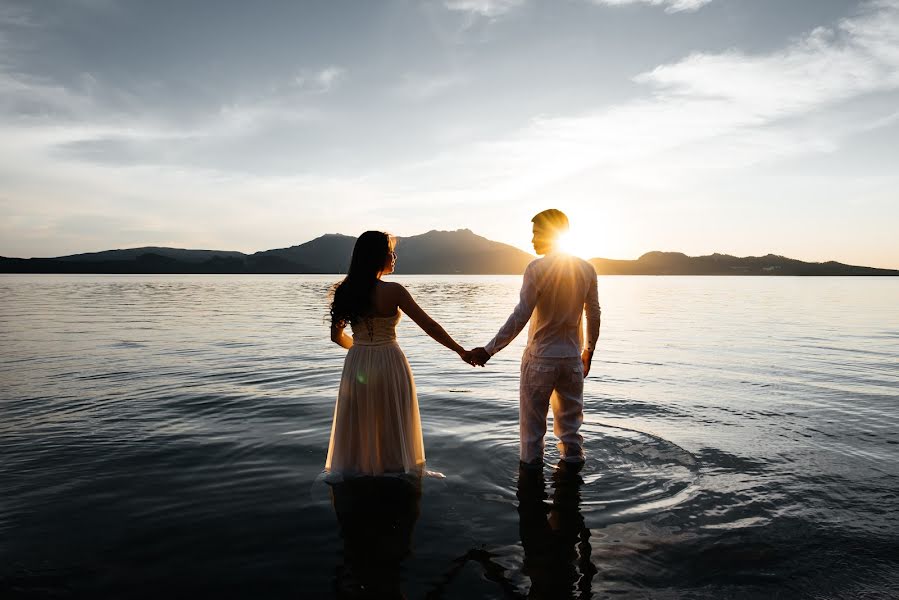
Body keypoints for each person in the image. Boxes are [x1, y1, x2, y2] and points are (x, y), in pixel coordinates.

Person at [326, 230, 471, 478]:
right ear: (377, 257)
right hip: (390, 362)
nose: (394, 257)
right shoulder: (394, 291)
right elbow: (430, 326)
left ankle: (360, 469)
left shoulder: (344, 291)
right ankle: (394, 470)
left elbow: (336, 336)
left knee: (360, 421)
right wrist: (461, 350)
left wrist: (363, 351)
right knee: (393, 419)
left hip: (357, 363)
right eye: (390, 252)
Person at [469, 209, 601, 467]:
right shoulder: (587, 269)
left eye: (536, 233)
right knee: (571, 435)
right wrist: (589, 351)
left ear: (553, 233)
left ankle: (530, 496)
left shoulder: (537, 269)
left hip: (540, 359)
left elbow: (521, 315)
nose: (532, 240)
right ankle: (571, 494)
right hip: (572, 361)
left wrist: (489, 350)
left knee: (531, 437)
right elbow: (593, 314)